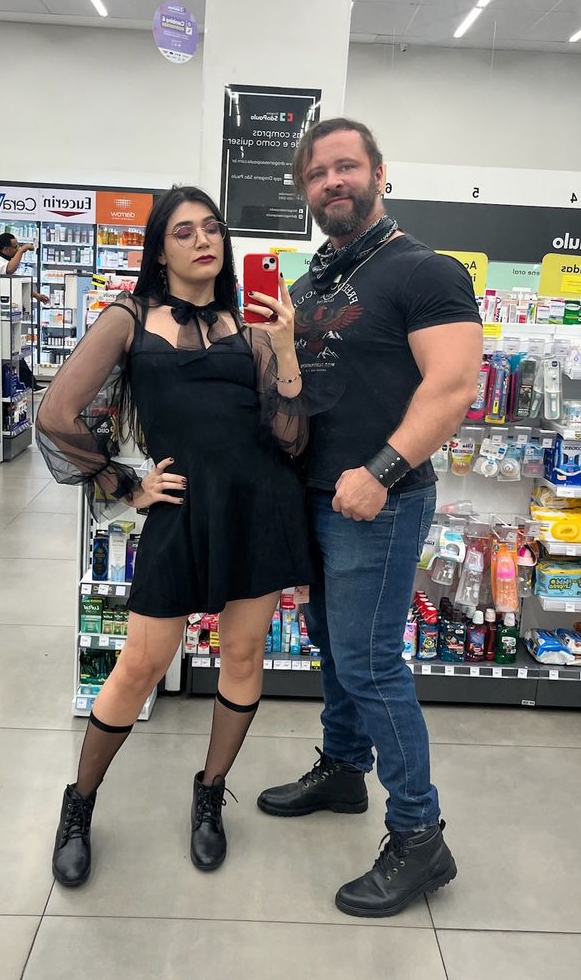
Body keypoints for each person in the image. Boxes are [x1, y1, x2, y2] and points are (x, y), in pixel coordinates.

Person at [35, 185, 314, 887]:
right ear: (159, 250)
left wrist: (285, 350)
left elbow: (291, 439)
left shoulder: (251, 327)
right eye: (184, 231)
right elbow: (57, 414)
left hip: (257, 507)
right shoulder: (127, 318)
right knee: (140, 665)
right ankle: (79, 804)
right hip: (182, 507)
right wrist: (125, 483)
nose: (202, 240)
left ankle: (211, 792)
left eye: (211, 228)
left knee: (243, 656)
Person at [256, 118, 483, 919]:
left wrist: (381, 472)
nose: (332, 182)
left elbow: (453, 386)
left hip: (380, 501)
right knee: (332, 644)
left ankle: (420, 836)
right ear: (306, 191)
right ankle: (345, 769)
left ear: (379, 173)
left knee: (371, 664)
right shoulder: (312, 279)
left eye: (346, 166)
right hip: (316, 496)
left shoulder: (426, 270)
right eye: (317, 174)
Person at [0, 232, 50, 390]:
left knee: (14, 349)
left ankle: (28, 382)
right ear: (5, 249)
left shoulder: (7, 259)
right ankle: (28, 383)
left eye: (18, 246)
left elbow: (17, 282)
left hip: (10, 313)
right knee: (11, 349)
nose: (17, 249)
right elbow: (10, 270)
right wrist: (22, 250)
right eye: (14, 247)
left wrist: (36, 295)